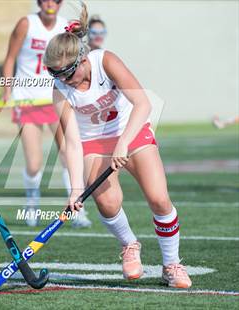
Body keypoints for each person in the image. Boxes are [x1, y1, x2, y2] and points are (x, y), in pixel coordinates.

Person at [44, 3, 192, 288]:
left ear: (83, 59)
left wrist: (123, 142)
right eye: (56, 75)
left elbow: (142, 103)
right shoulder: (61, 89)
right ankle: (129, 244)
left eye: (67, 73)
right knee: (107, 201)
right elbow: (73, 142)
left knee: (159, 199)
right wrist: (75, 188)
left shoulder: (105, 61)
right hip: (94, 142)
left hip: (131, 131)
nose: (63, 80)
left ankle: (171, 264)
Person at [3, 0, 91, 227]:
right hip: (28, 99)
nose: (50, 3)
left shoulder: (64, 26)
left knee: (67, 154)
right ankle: (32, 206)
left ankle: (77, 209)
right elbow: (10, 57)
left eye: (56, 0)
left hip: (57, 96)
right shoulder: (27, 23)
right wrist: (6, 89)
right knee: (34, 163)